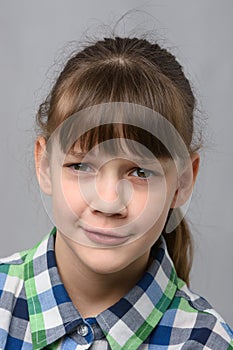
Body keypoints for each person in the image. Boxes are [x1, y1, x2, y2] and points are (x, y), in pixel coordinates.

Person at [0, 35, 232, 350]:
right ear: (43, 164)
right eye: (80, 167)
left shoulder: (206, 342)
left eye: (140, 172)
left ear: (182, 182)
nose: (108, 202)